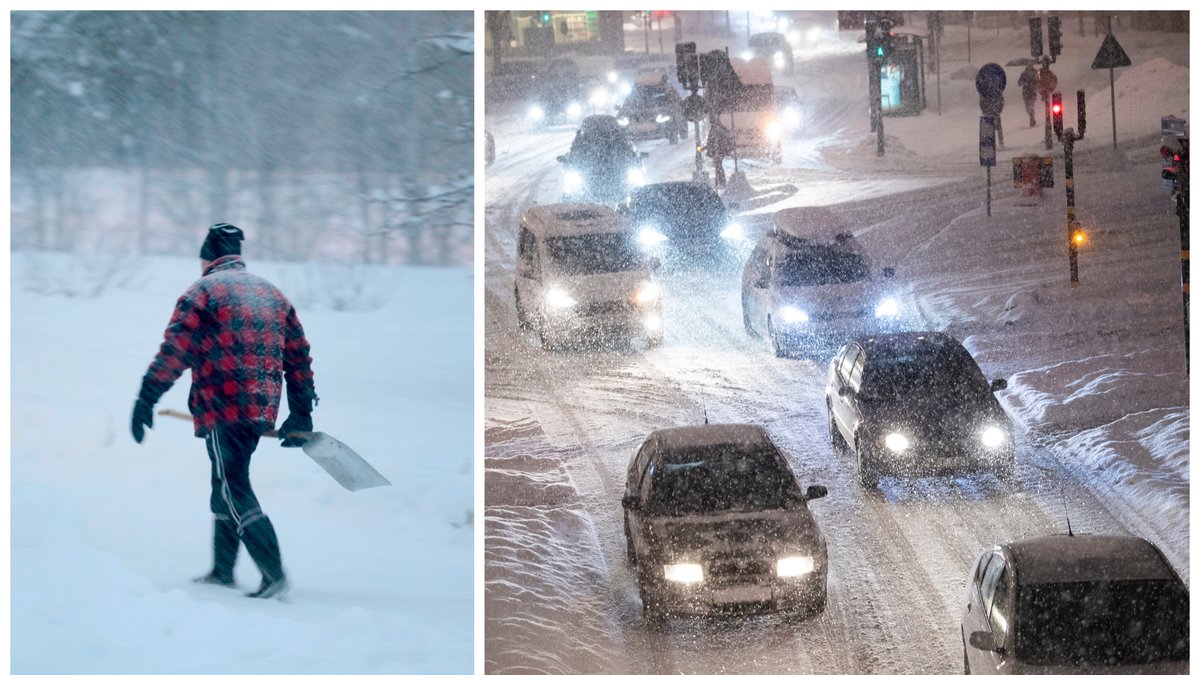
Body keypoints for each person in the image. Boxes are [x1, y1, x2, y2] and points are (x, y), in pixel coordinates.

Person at [130, 223, 317, 600]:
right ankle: (222, 570)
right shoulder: (271, 294)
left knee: (233, 484)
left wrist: (146, 397)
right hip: (261, 406)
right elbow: (297, 357)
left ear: (207, 259)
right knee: (225, 479)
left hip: (222, 405)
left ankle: (273, 573)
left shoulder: (202, 292)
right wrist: (301, 412)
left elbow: (175, 353)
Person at [706, 119, 734, 188]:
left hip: (720, 151)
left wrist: (712, 149)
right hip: (719, 151)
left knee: (718, 165)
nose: (711, 124)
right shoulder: (717, 129)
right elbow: (711, 141)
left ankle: (721, 181)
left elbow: (712, 141)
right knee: (718, 165)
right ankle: (720, 181)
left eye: (712, 122)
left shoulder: (717, 130)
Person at [1018, 63, 1038, 127]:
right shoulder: (1023, 74)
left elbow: (1038, 81)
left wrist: (1033, 84)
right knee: (1027, 107)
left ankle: (1032, 118)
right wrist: (1022, 82)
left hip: (1032, 92)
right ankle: (1032, 116)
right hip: (1026, 93)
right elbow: (1019, 83)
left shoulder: (1035, 73)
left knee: (1031, 106)